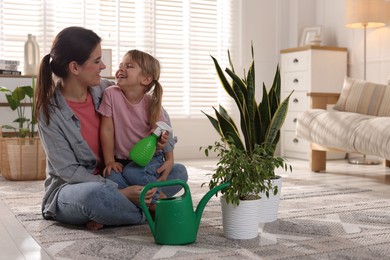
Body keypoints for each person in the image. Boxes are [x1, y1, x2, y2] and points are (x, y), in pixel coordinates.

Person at [34, 26, 188, 230]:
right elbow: (69, 172)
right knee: (96, 197)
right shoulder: (50, 113)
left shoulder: (108, 90)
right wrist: (121, 193)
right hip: (76, 188)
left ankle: (117, 212)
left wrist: (164, 148)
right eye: (97, 61)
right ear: (75, 67)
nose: (103, 66)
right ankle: (146, 209)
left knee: (177, 173)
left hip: (121, 173)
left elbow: (156, 110)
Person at [98, 50, 179, 204]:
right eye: (121, 65)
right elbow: (107, 130)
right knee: (111, 176)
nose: (121, 69)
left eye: (129, 66)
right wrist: (109, 161)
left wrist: (169, 157)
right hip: (121, 160)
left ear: (146, 79)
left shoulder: (151, 104)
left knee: (135, 173)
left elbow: (164, 131)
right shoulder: (111, 94)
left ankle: (151, 203)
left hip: (149, 159)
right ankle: (148, 201)